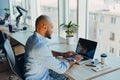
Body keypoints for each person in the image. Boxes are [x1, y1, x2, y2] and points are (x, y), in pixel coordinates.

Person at [24, 15, 83, 80]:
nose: (52, 30)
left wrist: (62, 54)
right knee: (67, 77)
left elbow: (44, 53)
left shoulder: (31, 39)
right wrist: (74, 60)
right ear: (44, 27)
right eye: (51, 27)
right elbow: (61, 69)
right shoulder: (40, 47)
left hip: (34, 74)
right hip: (39, 78)